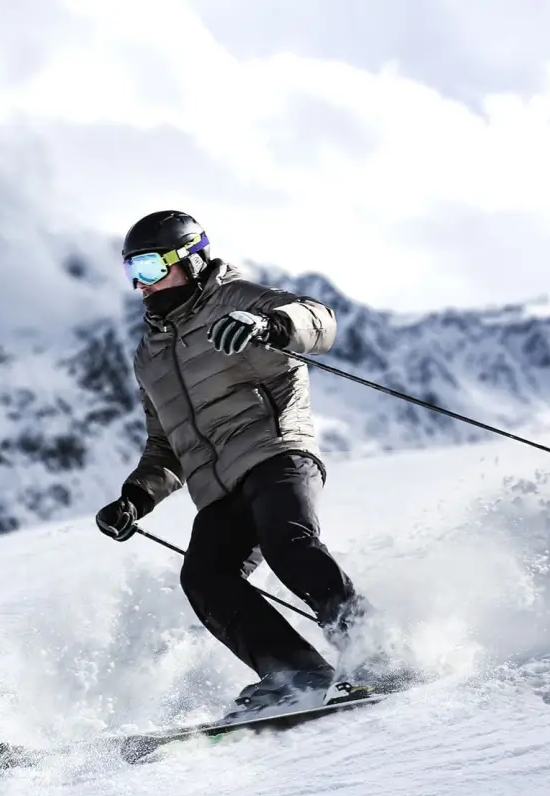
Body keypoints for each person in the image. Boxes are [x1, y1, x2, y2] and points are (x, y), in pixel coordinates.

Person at [95, 210, 364, 712]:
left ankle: (376, 649)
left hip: (275, 453)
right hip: (218, 490)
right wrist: (135, 499)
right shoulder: (150, 354)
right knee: (205, 579)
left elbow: (319, 320)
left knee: (288, 544)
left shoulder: (236, 298)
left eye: (150, 268)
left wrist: (270, 324)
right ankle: (296, 673)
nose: (140, 284)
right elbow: (165, 444)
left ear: (191, 260)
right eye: (132, 270)